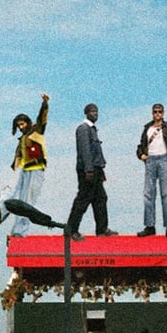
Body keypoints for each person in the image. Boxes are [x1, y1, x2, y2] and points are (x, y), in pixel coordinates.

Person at [0, 93, 50, 237]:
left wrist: (44, 103)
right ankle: (0, 209)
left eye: (22, 124)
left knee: (26, 202)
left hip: (36, 168)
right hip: (22, 168)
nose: (21, 127)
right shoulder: (21, 140)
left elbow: (42, 118)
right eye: (18, 125)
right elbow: (17, 159)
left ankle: (19, 232)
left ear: (28, 122)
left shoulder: (36, 130)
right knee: (10, 188)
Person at [135, 91, 167, 239]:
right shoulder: (147, 129)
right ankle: (149, 226)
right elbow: (140, 146)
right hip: (150, 161)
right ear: (152, 113)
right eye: (155, 112)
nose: (157, 114)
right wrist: (141, 155)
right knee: (148, 194)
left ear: (163, 113)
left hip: (163, 160)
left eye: (160, 112)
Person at [66, 103, 117, 241]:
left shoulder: (93, 129)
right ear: (86, 113)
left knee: (100, 198)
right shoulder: (83, 129)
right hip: (88, 170)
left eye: (97, 111)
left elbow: (96, 152)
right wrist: (88, 170)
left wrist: (100, 170)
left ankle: (102, 229)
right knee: (83, 199)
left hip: (96, 170)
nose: (95, 114)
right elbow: (85, 150)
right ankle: (71, 230)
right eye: (92, 111)